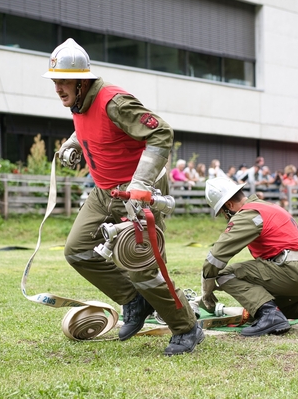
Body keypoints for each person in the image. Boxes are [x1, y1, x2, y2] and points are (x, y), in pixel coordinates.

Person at [43, 38, 202, 356]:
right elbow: (91, 126)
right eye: (55, 81)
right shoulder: (79, 101)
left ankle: (187, 328)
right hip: (104, 193)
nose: (58, 88)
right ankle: (134, 301)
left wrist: (140, 185)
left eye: (64, 81)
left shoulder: (113, 100)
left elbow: (161, 133)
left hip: (137, 193)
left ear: (82, 80)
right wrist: (73, 144)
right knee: (76, 250)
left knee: (143, 267)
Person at [200, 177, 298, 336]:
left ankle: (271, 316)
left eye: (223, 212)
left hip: (291, 272)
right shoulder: (266, 206)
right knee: (256, 310)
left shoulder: (248, 214)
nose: (226, 217)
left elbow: (217, 255)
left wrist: (207, 286)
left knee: (225, 275)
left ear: (229, 205)